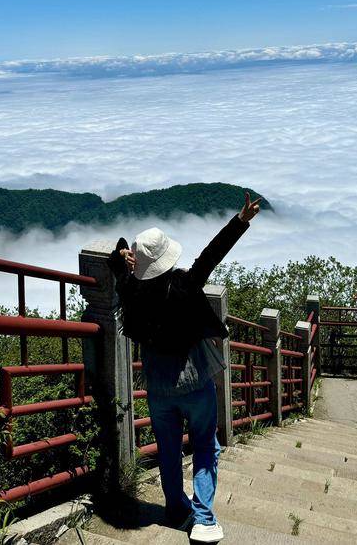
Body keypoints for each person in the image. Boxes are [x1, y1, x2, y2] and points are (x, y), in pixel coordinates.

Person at [107, 192, 262, 544]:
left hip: (159, 387)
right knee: (205, 445)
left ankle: (175, 507)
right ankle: (204, 518)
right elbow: (211, 255)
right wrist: (241, 221)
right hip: (194, 380)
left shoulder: (131, 294)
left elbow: (118, 270)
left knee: (169, 448)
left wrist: (120, 254)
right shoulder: (185, 285)